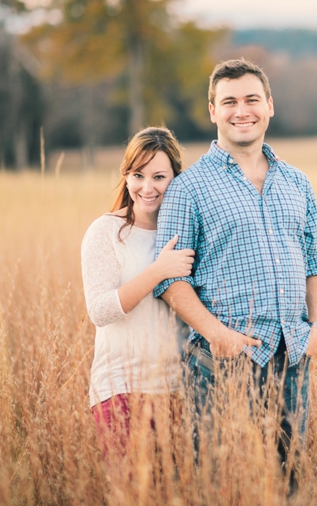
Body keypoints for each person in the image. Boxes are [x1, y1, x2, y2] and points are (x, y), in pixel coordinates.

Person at [152, 58, 317, 487]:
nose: (241, 110)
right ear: (212, 111)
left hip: (291, 355)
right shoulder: (188, 188)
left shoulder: (297, 182)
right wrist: (217, 334)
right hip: (221, 362)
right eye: (228, 101)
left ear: (270, 105)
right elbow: (170, 279)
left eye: (252, 99)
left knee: (291, 482)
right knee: (220, 483)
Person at [81, 127, 196, 461]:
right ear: (126, 176)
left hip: (178, 388)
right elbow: (100, 311)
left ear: (176, 177)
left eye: (159, 176)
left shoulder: (185, 232)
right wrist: (157, 271)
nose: (147, 187)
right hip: (120, 386)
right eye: (138, 175)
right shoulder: (106, 232)